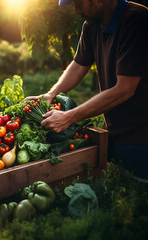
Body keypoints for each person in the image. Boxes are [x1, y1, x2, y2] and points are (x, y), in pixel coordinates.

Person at [25, 0, 148, 180]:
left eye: (78, 2)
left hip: (142, 138)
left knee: (138, 200)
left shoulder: (136, 21)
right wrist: (51, 94)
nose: (76, 10)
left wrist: (69, 117)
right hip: (114, 132)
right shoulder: (92, 25)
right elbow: (79, 64)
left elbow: (125, 89)